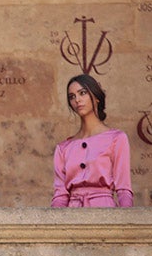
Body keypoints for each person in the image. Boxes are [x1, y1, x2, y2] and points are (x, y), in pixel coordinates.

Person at [51, 74, 132, 208]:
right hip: (72, 216)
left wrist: (128, 225)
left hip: (105, 211)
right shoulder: (63, 148)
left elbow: (124, 189)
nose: (77, 100)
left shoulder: (116, 138)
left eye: (82, 93)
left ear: (96, 97)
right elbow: (60, 196)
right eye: (72, 96)